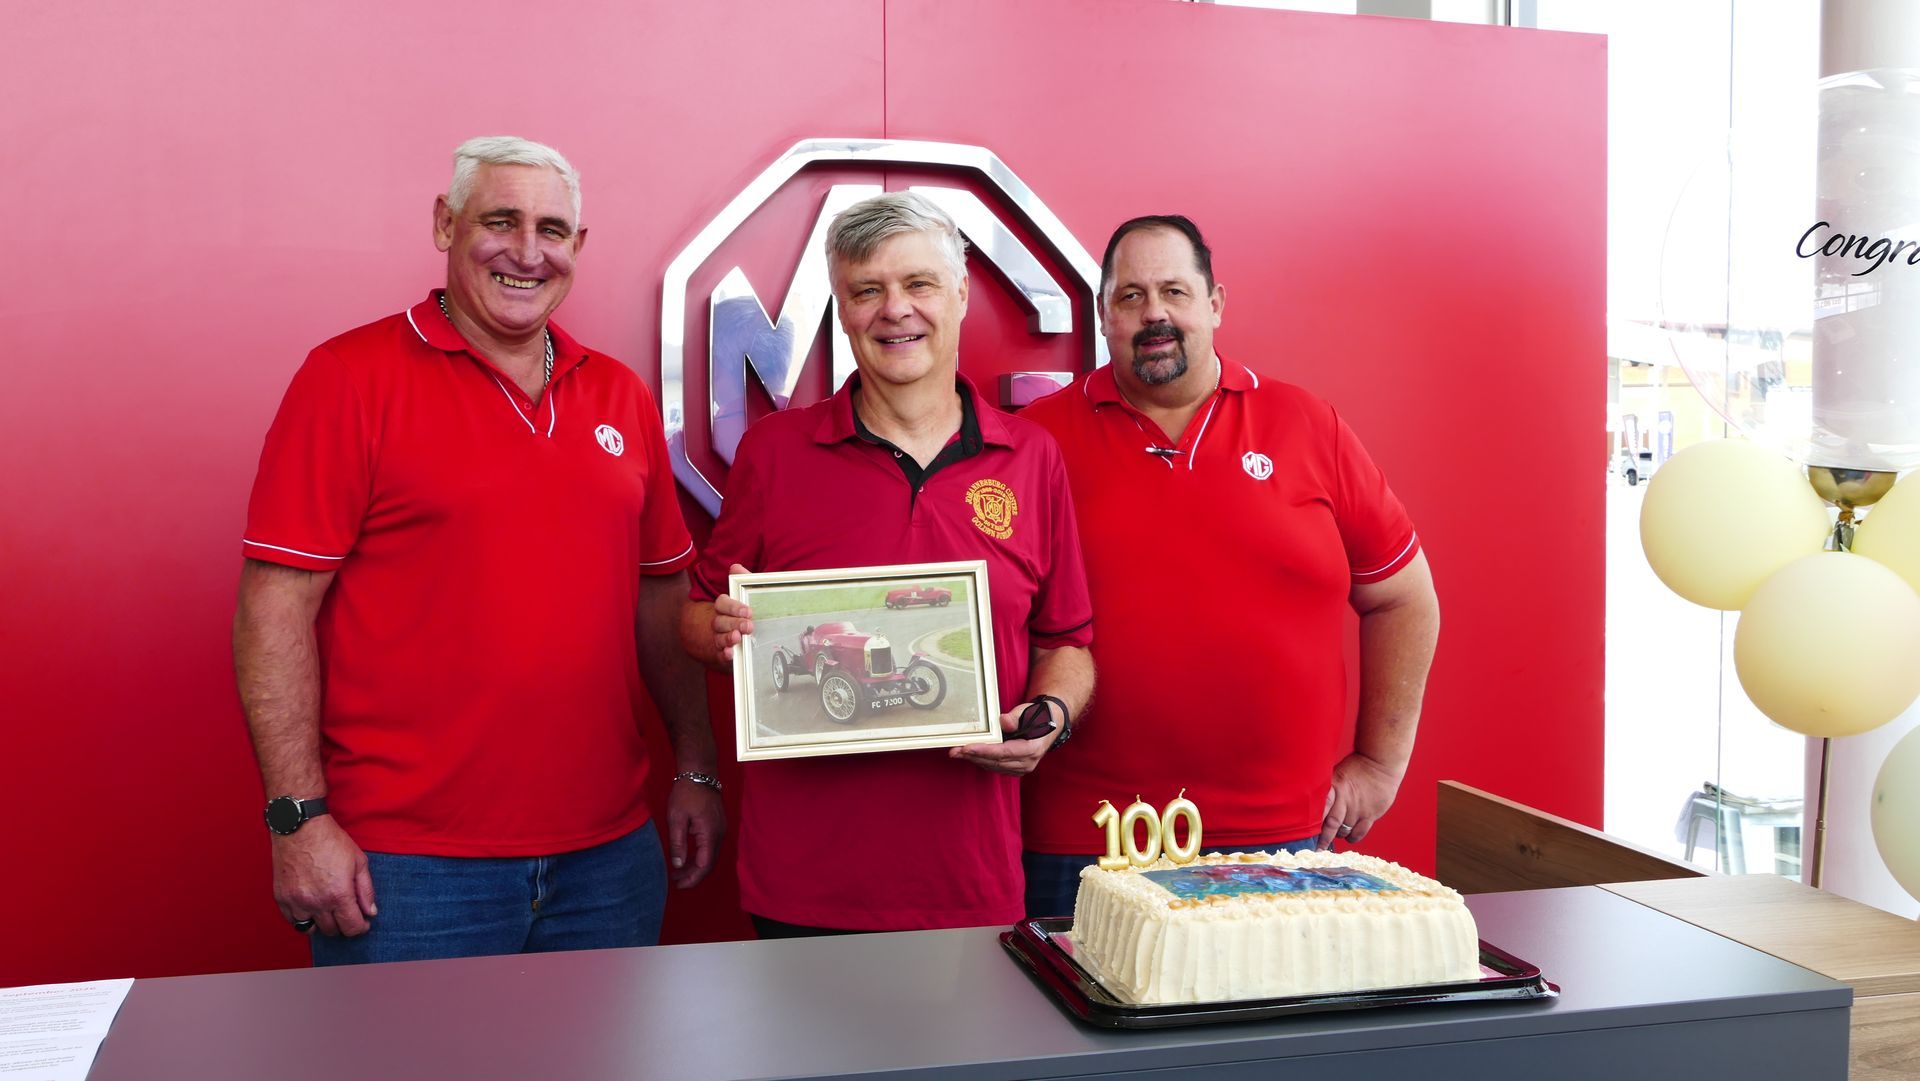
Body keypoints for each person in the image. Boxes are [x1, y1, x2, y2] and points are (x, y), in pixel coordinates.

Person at [234, 136, 724, 964]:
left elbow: (661, 599)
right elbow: (273, 607)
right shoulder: (348, 378)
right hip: (406, 869)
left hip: (607, 857)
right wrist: (297, 816)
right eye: (501, 220)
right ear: (445, 223)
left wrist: (697, 766)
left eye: (553, 230)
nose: (527, 252)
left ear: (579, 247)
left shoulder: (618, 393)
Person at [681, 192, 1095, 937]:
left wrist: (1050, 716)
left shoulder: (1031, 457)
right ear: (842, 310)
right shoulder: (774, 454)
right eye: (867, 290)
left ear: (962, 294)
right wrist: (717, 631)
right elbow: (695, 616)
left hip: (971, 882)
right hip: (803, 883)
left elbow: (1068, 640)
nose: (894, 309)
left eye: (918, 284)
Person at [1018, 215, 1440, 917]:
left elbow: (1404, 597)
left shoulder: (1309, 425)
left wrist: (1379, 763)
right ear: (1103, 315)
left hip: (1283, 841)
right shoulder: (1035, 442)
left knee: (1269, 1029)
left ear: (1214, 304)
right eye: (1130, 297)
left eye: (1175, 291)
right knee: (1076, 1028)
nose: (1155, 313)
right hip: (1083, 839)